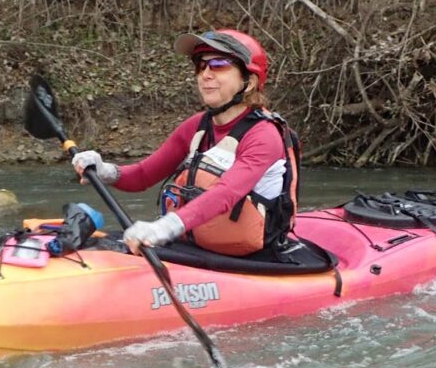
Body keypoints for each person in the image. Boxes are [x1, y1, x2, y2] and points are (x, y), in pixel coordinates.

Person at [72, 29, 299, 257]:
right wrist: (105, 171)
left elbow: (226, 193)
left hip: (253, 257)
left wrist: (164, 227)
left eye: (219, 64)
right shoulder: (197, 126)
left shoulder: (264, 135)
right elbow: (143, 175)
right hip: (195, 246)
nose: (205, 74)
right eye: (201, 65)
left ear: (248, 82)